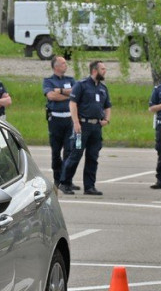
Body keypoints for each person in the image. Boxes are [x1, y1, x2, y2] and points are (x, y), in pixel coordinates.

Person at [61, 60, 111, 197]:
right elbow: (73, 104)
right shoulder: (81, 85)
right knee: (76, 154)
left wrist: (106, 119)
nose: (105, 71)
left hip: (96, 128)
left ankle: (89, 186)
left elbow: (107, 106)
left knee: (93, 156)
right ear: (95, 70)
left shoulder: (103, 88)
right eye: (103, 68)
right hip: (81, 128)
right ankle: (65, 183)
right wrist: (76, 122)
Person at [43, 56, 77, 186]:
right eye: (63, 63)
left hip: (70, 120)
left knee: (69, 150)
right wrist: (68, 96)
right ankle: (57, 179)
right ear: (56, 66)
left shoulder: (70, 80)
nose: (66, 65)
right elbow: (51, 96)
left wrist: (61, 92)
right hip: (55, 120)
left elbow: (76, 93)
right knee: (56, 151)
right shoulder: (49, 81)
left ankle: (66, 179)